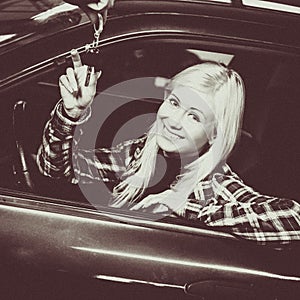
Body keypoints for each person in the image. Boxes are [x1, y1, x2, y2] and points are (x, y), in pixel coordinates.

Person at [37, 49, 300, 245]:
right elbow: (57, 169)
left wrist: (179, 203)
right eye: (174, 103)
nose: (173, 121)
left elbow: (293, 219)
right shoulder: (142, 153)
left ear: (214, 133)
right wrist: (72, 114)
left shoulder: (218, 185)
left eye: (194, 116)